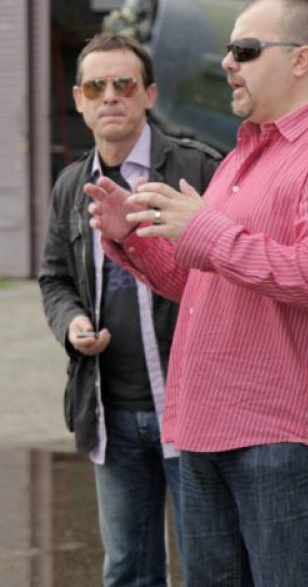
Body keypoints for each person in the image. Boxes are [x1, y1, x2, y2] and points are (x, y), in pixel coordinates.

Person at [85, 0, 308, 586]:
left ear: (301, 59)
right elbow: (204, 283)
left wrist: (206, 229)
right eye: (229, 49)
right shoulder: (241, 159)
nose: (227, 61)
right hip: (204, 430)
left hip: (283, 434)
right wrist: (133, 240)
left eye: (245, 49)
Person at [38, 32, 219, 586]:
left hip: (192, 408)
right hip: (110, 410)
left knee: (210, 567)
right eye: (96, 87)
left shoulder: (195, 169)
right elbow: (55, 278)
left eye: (124, 84)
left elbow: (227, 272)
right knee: (127, 569)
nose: (110, 96)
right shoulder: (72, 186)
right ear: (79, 100)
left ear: (149, 94)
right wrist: (71, 323)